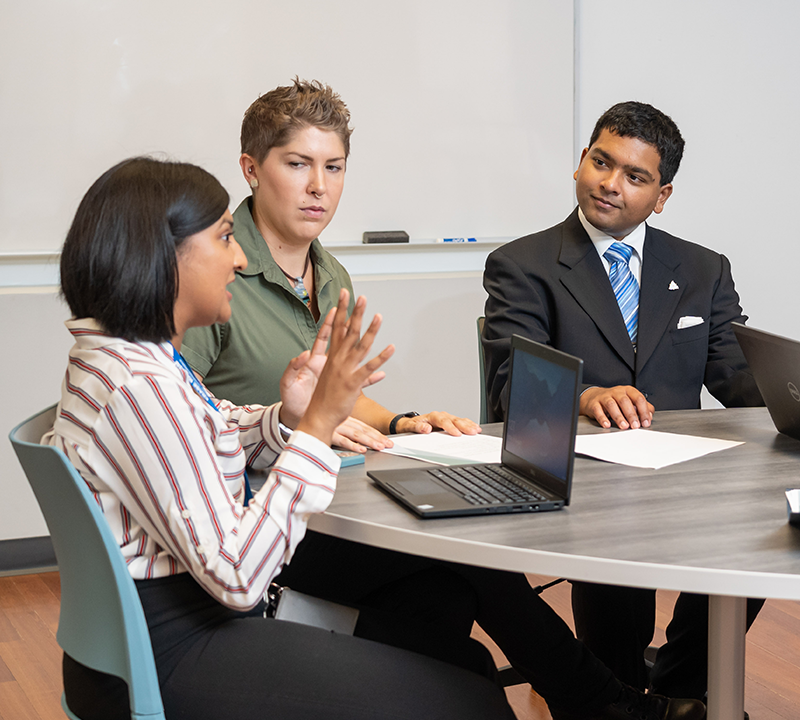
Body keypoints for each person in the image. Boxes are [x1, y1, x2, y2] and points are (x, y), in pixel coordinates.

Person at [45, 156, 521, 720]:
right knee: (470, 700)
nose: (240, 257)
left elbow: (207, 426)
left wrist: (289, 417)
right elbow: (241, 576)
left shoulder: (119, 358)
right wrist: (316, 431)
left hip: (158, 630)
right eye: (224, 238)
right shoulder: (139, 388)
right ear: (163, 258)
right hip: (175, 647)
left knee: (446, 627)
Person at [482, 101, 765, 700]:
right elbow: (513, 382)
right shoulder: (522, 264)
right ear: (581, 161)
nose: (610, 184)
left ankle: (677, 692)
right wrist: (585, 394)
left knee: (764, 542)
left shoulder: (702, 269)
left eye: (635, 177)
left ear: (662, 196)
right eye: (601, 162)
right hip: (590, 478)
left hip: (687, 475)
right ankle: (616, 696)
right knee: (616, 609)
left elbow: (735, 374)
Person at [181, 78, 478, 454]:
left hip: (316, 481)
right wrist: (296, 427)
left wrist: (406, 424)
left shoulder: (333, 275)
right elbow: (175, 408)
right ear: (251, 169)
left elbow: (336, 400)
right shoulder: (209, 268)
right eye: (297, 164)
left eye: (333, 167)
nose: (319, 186)